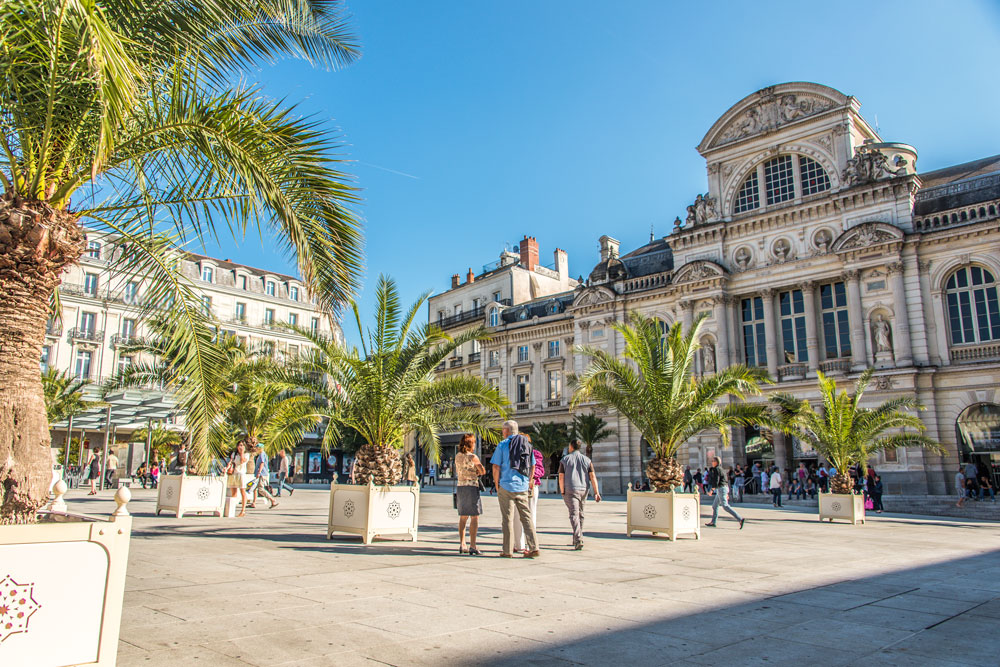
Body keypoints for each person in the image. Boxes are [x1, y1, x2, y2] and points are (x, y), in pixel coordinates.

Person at [490, 420, 538, 558]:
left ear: (507, 431)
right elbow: (533, 465)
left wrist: (497, 484)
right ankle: (534, 547)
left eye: (503, 430)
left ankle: (508, 550)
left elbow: (495, 466)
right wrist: (528, 481)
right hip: (522, 486)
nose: (502, 432)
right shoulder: (527, 445)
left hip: (506, 485)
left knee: (507, 519)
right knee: (526, 517)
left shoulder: (503, 445)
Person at [558, 439, 601, 549]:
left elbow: (561, 477)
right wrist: (596, 492)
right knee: (580, 513)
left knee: (574, 514)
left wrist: (562, 490)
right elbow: (592, 476)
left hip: (570, 489)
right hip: (583, 489)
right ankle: (578, 536)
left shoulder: (565, 460)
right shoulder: (587, 460)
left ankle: (578, 539)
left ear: (571, 447)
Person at [455, 434, 486, 555]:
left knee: (463, 517)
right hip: (472, 487)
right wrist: (478, 471)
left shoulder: (458, 456)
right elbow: (482, 470)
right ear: (471, 444)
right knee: (474, 516)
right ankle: (473, 545)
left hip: (461, 487)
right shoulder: (473, 457)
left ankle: (462, 544)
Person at [513, 436, 544, 554]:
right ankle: (521, 544)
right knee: (519, 515)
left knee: (529, 515)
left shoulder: (535, 454)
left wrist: (530, 476)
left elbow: (540, 470)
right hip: (522, 486)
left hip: (529, 486)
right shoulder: (515, 454)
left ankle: (529, 543)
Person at [227, 442, 252, 517]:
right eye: (239, 445)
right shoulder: (234, 454)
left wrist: (242, 453)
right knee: (233, 492)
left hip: (241, 474)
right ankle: (232, 509)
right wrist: (227, 468)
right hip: (234, 473)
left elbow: (242, 461)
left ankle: (243, 510)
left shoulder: (246, 454)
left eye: (242, 445)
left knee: (242, 491)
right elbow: (231, 461)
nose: (240, 447)